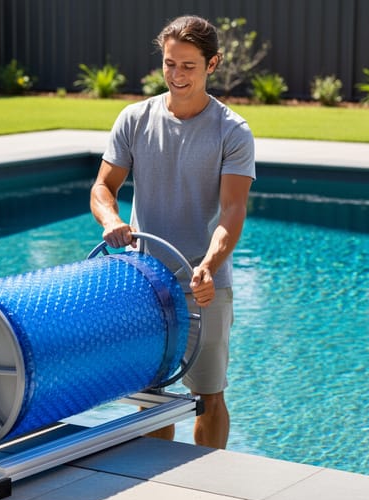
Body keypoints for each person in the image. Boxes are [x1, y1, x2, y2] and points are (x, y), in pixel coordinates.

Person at [90, 14, 255, 449]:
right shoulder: (134, 118)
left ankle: (210, 481)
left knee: (209, 396)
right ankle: (159, 477)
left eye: (188, 66)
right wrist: (111, 220)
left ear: (212, 64)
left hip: (205, 283)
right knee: (152, 396)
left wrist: (209, 266)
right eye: (169, 64)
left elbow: (233, 210)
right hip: (147, 283)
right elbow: (103, 188)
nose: (176, 75)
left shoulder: (232, 131)